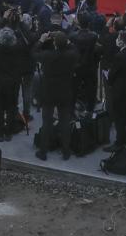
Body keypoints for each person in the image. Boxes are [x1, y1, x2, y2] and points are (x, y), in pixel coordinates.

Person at [33, 31, 79, 161]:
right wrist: (67, 42)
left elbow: (34, 53)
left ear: (54, 43)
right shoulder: (71, 55)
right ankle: (66, 151)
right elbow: (75, 50)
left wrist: (41, 40)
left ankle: (43, 151)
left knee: (46, 122)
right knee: (65, 122)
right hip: (65, 92)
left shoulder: (48, 55)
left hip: (49, 92)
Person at [104, 30, 126, 152]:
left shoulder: (120, 56)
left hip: (119, 90)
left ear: (123, 41)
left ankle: (119, 141)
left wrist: (109, 79)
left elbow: (113, 74)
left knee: (119, 117)